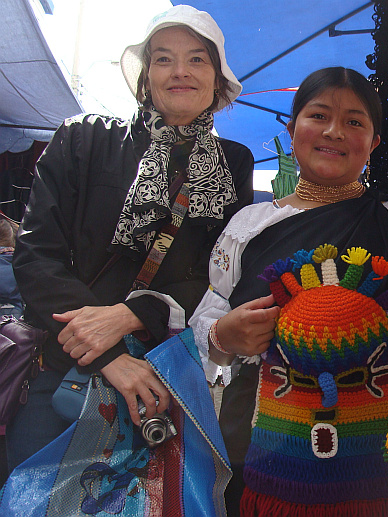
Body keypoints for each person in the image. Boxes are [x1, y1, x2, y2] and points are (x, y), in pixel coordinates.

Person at [188, 67, 388, 515]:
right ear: (292, 128)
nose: (334, 132)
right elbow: (207, 324)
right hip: (265, 455)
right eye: (319, 115)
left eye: (355, 122)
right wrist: (224, 336)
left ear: (374, 142)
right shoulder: (248, 227)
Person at [6, 5, 254, 473]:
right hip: (65, 370)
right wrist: (110, 356)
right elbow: (36, 258)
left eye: (197, 59)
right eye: (163, 59)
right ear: (145, 75)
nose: (180, 71)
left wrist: (129, 315)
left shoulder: (233, 163)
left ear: (218, 79)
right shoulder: (83, 139)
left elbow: (224, 273)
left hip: (166, 379)